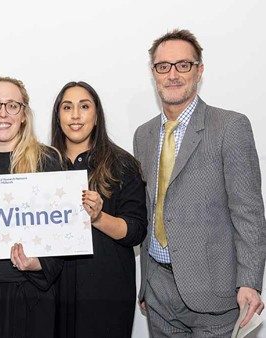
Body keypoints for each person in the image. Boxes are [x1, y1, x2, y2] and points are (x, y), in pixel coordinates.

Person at [134, 29, 266, 337]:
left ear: (200, 70)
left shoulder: (230, 127)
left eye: (183, 65)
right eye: (163, 66)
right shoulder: (144, 134)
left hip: (215, 294)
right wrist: (145, 284)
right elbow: (148, 208)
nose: (173, 75)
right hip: (158, 292)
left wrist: (249, 281)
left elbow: (248, 211)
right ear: (154, 73)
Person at [0, 77, 64, 338]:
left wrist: (39, 264)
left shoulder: (48, 160)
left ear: (24, 115)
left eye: (12, 105)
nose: (3, 113)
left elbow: (63, 232)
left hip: (30, 291)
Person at [50, 81, 147, 337]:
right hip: (52, 293)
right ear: (57, 115)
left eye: (84, 106)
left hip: (106, 293)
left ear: (96, 116)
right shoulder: (42, 163)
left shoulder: (122, 163)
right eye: (67, 107)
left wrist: (98, 217)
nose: (75, 115)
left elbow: (136, 231)